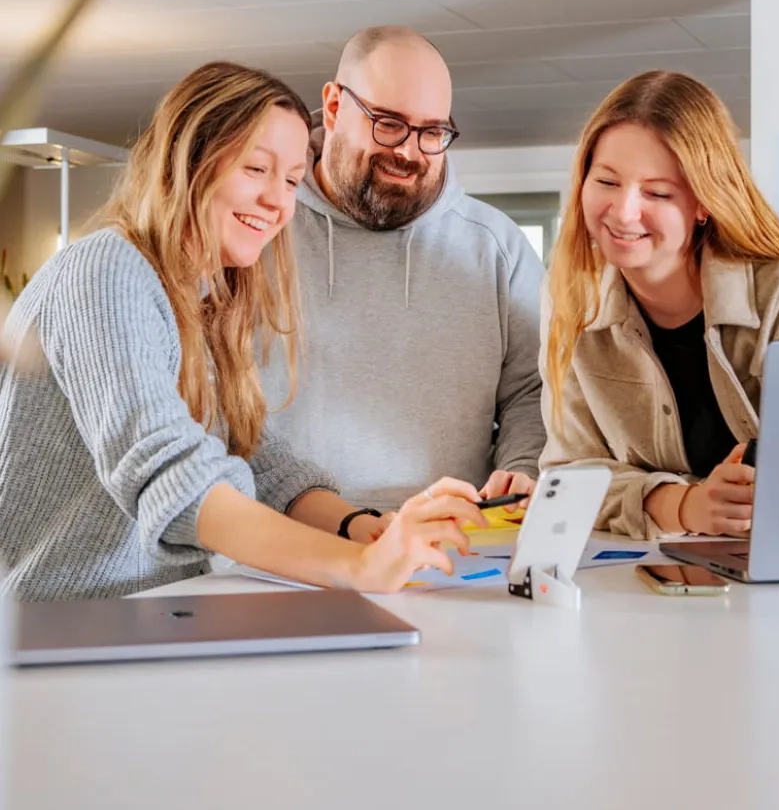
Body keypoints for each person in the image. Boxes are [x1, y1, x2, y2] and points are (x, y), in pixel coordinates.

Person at [0, 62, 486, 601]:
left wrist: (360, 526)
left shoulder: (199, 298)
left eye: (292, 179)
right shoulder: (107, 270)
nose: (279, 202)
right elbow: (172, 474)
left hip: (151, 612)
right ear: (191, 161)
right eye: (256, 169)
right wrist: (360, 565)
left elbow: (256, 453)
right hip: (57, 628)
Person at [261, 26, 545, 511]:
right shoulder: (258, 228)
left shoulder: (496, 247)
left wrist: (520, 469)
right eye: (388, 123)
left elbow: (533, 388)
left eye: (432, 132)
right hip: (279, 549)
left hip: (450, 548)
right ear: (332, 107)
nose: (409, 153)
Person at [540, 70, 779, 541]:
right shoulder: (571, 299)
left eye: (657, 192)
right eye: (606, 181)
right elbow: (566, 473)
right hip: (649, 577)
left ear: (704, 203)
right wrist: (681, 504)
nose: (624, 212)